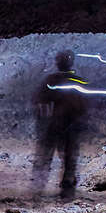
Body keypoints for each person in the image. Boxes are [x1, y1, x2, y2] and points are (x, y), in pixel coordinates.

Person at [32, 50, 88, 199]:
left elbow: (39, 101)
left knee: (47, 156)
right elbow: (85, 105)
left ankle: (39, 187)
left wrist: (42, 121)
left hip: (56, 124)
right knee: (69, 158)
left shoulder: (52, 80)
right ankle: (65, 188)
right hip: (68, 125)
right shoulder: (78, 81)